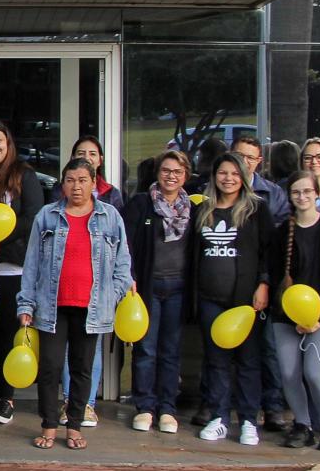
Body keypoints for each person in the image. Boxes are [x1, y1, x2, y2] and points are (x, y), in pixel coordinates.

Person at [17, 157, 134, 450]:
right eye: (70, 180)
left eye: (83, 180)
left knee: (82, 368)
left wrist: (112, 293)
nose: (76, 186)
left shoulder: (110, 217)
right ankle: (49, 425)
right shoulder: (47, 215)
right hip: (51, 306)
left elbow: (123, 264)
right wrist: (26, 304)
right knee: (50, 368)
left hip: (91, 307)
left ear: (94, 183)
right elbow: (31, 264)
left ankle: (75, 425)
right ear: (63, 184)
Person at [193, 153, 272, 447]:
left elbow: (268, 251)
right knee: (216, 362)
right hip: (210, 299)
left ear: (244, 177)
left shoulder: (256, 210)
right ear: (214, 176)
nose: (228, 178)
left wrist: (263, 283)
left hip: (245, 302)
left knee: (249, 361)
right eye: (222, 172)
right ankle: (219, 417)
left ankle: (249, 420)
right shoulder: (203, 210)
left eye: (234, 173)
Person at [270, 170, 320, 451]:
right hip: (285, 315)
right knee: (290, 373)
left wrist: (319, 317)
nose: (302, 197)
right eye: (296, 192)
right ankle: (302, 425)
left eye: (307, 191)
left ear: (317, 193)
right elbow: (273, 272)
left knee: (315, 372)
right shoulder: (282, 232)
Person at [0, 119, 47, 426]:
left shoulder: (24, 176)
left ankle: (6, 397)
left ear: (8, 143)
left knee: (6, 335)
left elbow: (33, 219)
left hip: (11, 270)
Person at [52, 135, 125, 428]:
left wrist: (113, 291)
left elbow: (123, 252)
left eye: (93, 153)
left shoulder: (112, 203)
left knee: (88, 353)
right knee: (63, 354)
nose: (77, 186)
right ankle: (69, 403)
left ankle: (86, 405)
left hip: (95, 293)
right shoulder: (55, 206)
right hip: (62, 292)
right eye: (80, 153)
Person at [122, 150, 194, 433]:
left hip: (178, 288)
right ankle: (145, 407)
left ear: (185, 175)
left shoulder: (194, 209)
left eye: (177, 172)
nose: (171, 176)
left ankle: (167, 408)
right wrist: (129, 277)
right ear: (157, 172)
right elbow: (125, 243)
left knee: (170, 351)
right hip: (148, 287)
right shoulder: (141, 204)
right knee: (146, 349)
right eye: (166, 170)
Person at [231, 134, 291, 433]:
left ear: (259, 162)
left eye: (250, 158)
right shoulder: (218, 190)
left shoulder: (273, 195)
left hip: (260, 282)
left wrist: (266, 281)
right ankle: (222, 406)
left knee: (266, 349)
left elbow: (275, 244)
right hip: (228, 280)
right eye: (239, 156)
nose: (244, 163)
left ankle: (273, 406)